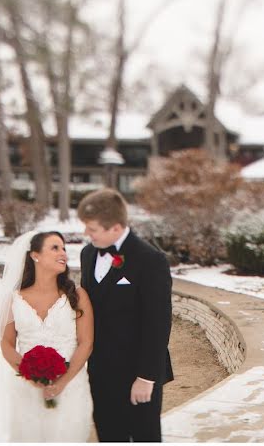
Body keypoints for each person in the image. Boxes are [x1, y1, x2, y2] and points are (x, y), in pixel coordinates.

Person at [77, 188, 174, 442]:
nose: (87, 234)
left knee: (144, 437)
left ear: (116, 228)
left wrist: (146, 377)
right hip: (100, 370)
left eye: (93, 228)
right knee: (109, 435)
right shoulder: (88, 254)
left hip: (137, 373)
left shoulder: (150, 260)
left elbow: (158, 324)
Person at [0, 229, 94, 442]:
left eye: (64, 248)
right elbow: (7, 344)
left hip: (71, 386)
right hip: (27, 389)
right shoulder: (13, 298)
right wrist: (29, 374)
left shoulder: (77, 295)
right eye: (55, 248)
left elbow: (86, 343)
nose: (63, 253)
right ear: (35, 255)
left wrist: (62, 382)